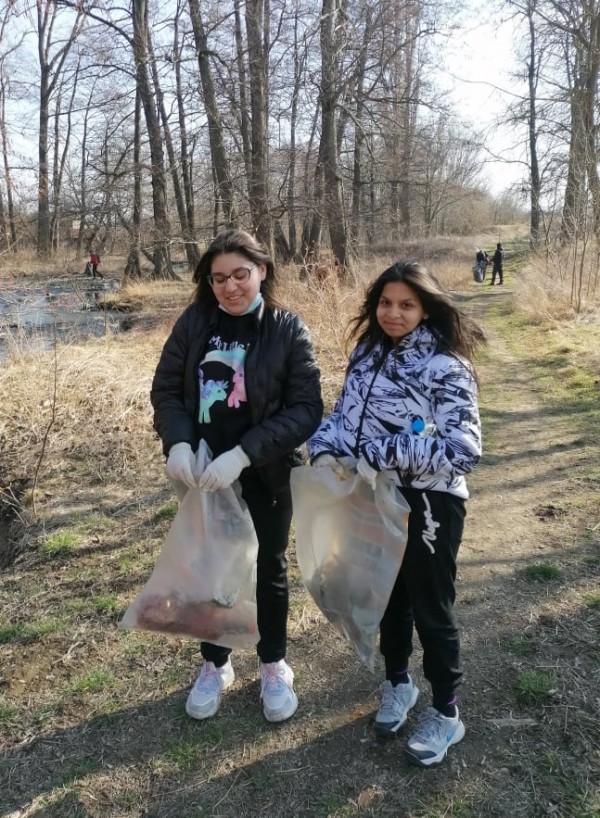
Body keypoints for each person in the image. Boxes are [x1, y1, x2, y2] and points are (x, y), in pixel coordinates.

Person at [308, 261, 484, 767]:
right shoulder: (365, 354)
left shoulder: (446, 367)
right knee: (386, 595)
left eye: (407, 304)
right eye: (385, 302)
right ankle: (398, 683)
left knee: (431, 606)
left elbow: (462, 449)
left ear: (426, 307)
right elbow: (344, 419)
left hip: (430, 503)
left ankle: (447, 712)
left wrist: (383, 453)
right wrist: (323, 450)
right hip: (371, 497)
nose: (393, 313)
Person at [150, 229, 323, 724]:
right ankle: (215, 663)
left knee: (268, 568)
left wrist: (246, 453)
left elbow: (307, 408)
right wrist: (178, 440)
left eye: (240, 275)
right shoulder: (195, 323)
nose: (230, 287)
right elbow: (165, 388)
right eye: (219, 278)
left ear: (262, 271)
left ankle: (272, 664)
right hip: (205, 474)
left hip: (265, 474)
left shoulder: (288, 329)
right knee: (213, 569)